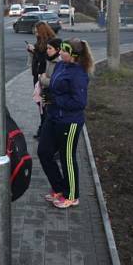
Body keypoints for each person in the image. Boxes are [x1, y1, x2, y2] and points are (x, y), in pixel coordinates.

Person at [37, 38, 94, 209]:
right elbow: (55, 87)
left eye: (64, 51)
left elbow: (79, 103)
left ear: (74, 55)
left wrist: (56, 100)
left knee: (66, 157)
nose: (59, 53)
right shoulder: (61, 66)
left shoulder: (79, 74)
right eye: (60, 49)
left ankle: (71, 195)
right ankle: (59, 188)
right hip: (53, 117)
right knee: (44, 152)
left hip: (69, 122)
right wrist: (48, 95)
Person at [33, 37, 61, 139]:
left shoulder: (58, 63)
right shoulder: (49, 59)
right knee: (45, 113)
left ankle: (49, 137)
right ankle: (45, 135)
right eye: (47, 48)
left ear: (57, 49)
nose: (47, 50)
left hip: (53, 95)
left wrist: (42, 78)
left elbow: (54, 82)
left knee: (50, 115)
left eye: (50, 48)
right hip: (46, 93)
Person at [26, 21, 56, 87]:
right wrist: (31, 50)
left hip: (44, 74)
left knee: (42, 95)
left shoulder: (50, 42)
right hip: (38, 73)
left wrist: (34, 50)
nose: (35, 34)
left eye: (37, 32)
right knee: (37, 95)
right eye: (35, 32)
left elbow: (44, 58)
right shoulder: (40, 40)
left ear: (42, 32)